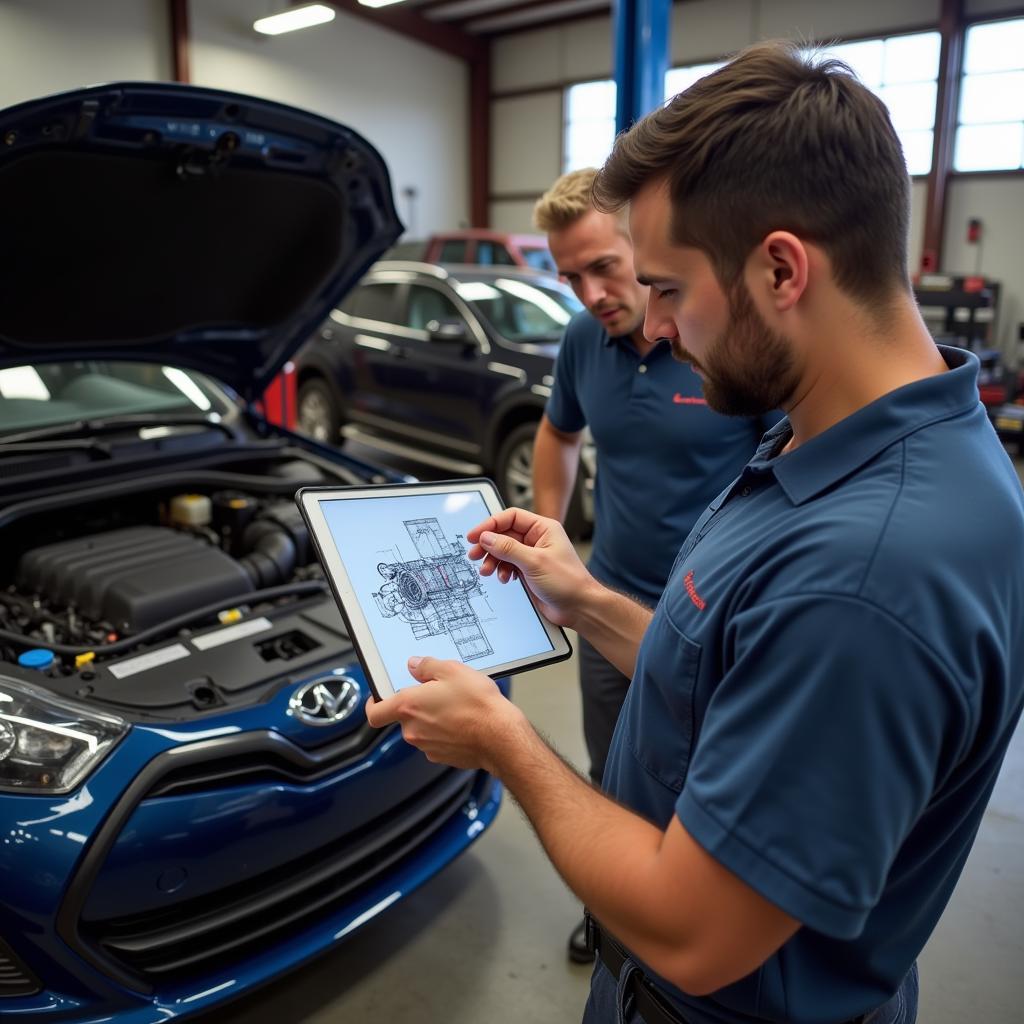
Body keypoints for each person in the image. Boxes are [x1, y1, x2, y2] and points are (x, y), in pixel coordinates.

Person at [366, 40, 1024, 1024]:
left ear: (779, 269)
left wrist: (506, 741)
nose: (655, 327)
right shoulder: (830, 439)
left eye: (668, 287)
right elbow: (732, 663)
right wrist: (582, 599)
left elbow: (697, 931)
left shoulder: (868, 571)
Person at [531, 169, 777, 962]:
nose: (592, 292)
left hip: (713, 618)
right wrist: (548, 531)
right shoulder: (582, 343)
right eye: (571, 276)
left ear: (640, 243)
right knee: (617, 767)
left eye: (605, 265)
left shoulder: (719, 343)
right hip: (605, 594)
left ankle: (678, 919)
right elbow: (558, 433)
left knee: (706, 777)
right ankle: (614, 910)